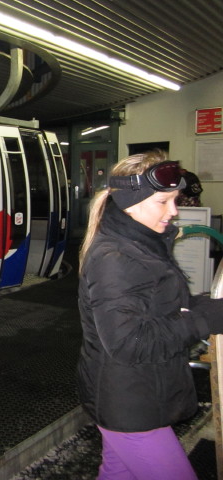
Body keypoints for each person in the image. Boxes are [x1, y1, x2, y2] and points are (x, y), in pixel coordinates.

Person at [76, 149, 223, 479]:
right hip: (129, 403)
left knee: (117, 473)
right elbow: (129, 341)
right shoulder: (114, 256)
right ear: (130, 202)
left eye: (175, 200)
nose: (174, 211)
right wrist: (206, 319)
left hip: (138, 394)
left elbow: (164, 308)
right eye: (163, 201)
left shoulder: (143, 242)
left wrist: (207, 307)